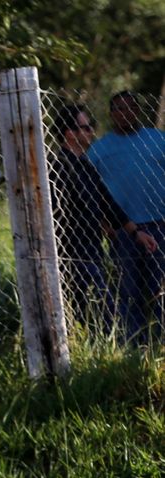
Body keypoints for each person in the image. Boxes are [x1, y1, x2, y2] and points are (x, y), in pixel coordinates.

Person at [49, 105, 154, 334]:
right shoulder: (57, 166)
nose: (91, 133)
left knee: (99, 315)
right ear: (69, 133)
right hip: (71, 255)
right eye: (86, 128)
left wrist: (136, 233)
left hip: (92, 251)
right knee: (100, 318)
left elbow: (107, 203)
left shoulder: (86, 164)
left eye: (91, 127)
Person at [86, 91, 165, 344]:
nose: (125, 113)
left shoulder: (158, 140)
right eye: (119, 109)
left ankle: (160, 342)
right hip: (121, 230)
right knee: (128, 290)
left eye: (131, 107)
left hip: (159, 224)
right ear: (111, 114)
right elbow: (89, 192)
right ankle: (134, 344)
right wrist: (104, 223)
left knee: (160, 288)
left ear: (139, 110)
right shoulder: (99, 150)